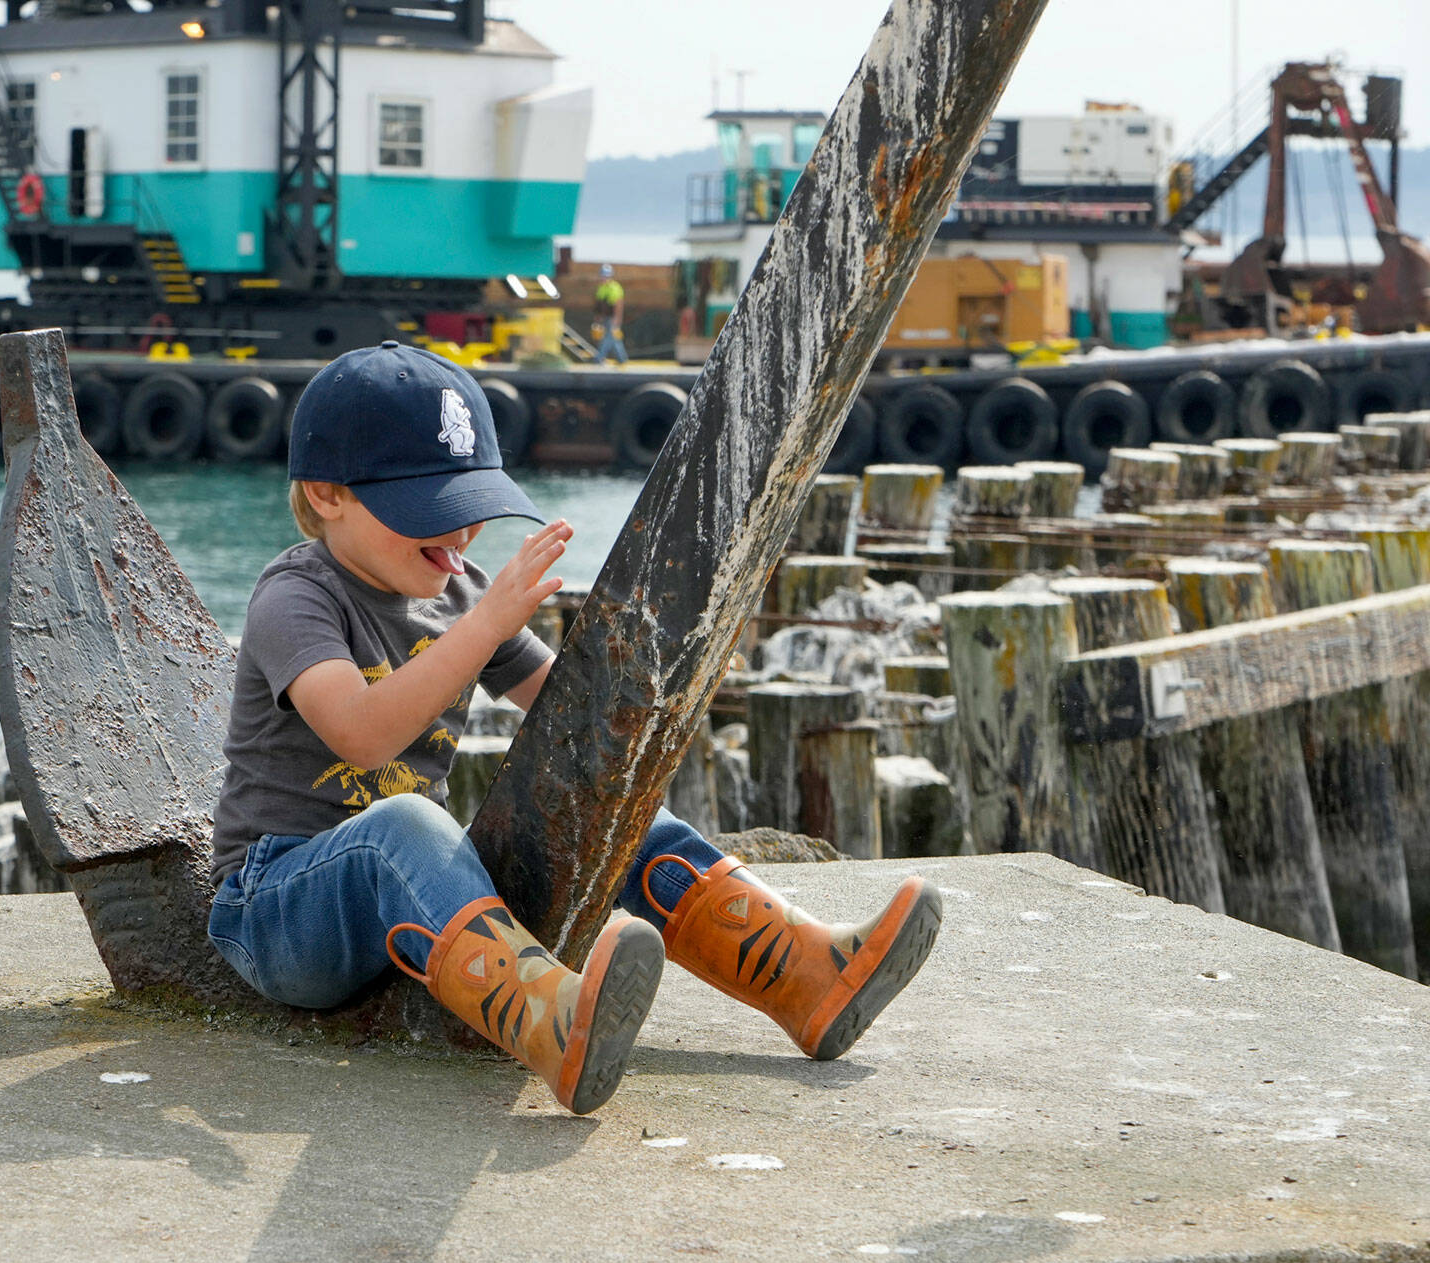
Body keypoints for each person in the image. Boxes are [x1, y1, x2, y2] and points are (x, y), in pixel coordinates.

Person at [207, 341, 941, 1115]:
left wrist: (651, 670)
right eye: (428, 509)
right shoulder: (296, 598)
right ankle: (548, 1018)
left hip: (418, 909)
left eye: (469, 509)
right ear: (328, 494)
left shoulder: (460, 593)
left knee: (588, 792)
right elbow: (361, 735)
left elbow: (574, 721)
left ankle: (803, 972)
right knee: (403, 825)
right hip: (278, 909)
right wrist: (488, 623)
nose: (457, 537)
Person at [593, 264, 628, 365]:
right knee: (613, 339)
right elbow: (599, 304)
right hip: (605, 317)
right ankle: (622, 359)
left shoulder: (615, 287)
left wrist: (617, 318)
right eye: (603, 275)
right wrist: (597, 317)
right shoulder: (601, 288)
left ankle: (599, 358)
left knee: (608, 338)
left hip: (612, 318)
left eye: (606, 276)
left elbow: (618, 304)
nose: (604, 278)